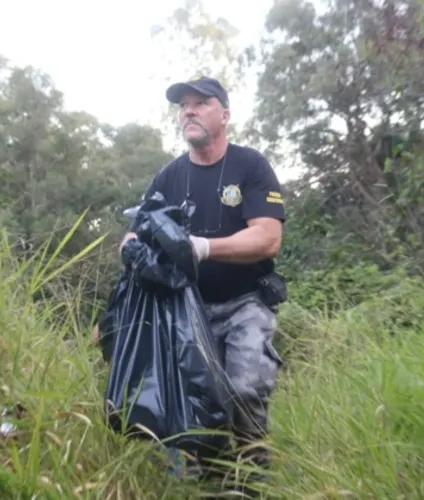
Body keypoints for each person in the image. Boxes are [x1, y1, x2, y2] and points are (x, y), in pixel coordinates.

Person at [120, 76, 288, 494]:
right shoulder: (168, 178)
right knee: (197, 398)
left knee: (245, 386)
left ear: (225, 116)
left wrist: (202, 247)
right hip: (185, 311)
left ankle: (250, 478)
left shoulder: (250, 166)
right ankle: (212, 481)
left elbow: (268, 237)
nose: (188, 111)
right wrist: (131, 251)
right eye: (183, 106)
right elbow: (134, 232)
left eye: (200, 103)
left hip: (246, 301)